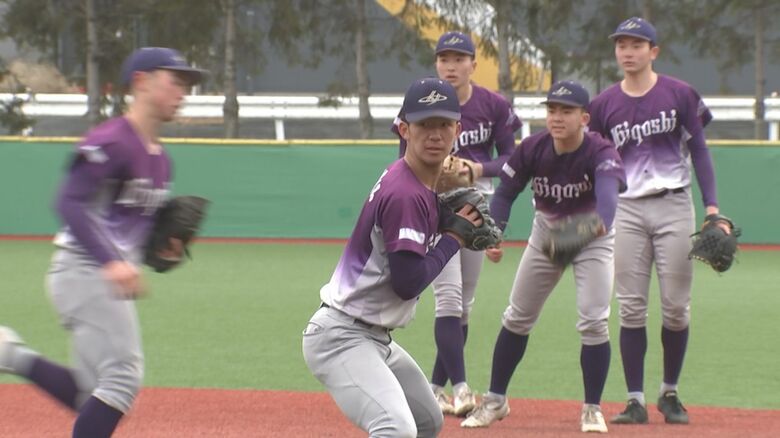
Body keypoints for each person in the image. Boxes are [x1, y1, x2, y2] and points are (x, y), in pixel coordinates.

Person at [0, 47, 206, 437]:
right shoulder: (112, 141)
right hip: (83, 269)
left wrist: (161, 248)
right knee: (122, 380)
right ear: (142, 82)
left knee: (88, 393)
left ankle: (11, 355)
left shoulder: (162, 162)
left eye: (187, 85)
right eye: (176, 81)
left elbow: (130, 229)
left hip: (98, 276)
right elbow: (68, 202)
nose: (184, 91)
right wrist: (111, 261)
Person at [302, 77, 485, 438]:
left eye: (443, 124)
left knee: (427, 421)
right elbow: (407, 284)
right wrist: (453, 238)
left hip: (374, 338)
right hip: (342, 336)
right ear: (404, 129)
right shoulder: (406, 193)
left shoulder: (420, 183)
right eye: (424, 125)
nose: (434, 134)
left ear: (457, 130)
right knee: (395, 428)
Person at [460, 80, 626, 433]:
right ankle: (495, 400)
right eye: (551, 110)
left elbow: (607, 211)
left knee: (594, 320)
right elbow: (504, 194)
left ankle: (592, 408)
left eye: (566, 111)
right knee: (517, 317)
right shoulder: (533, 148)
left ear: (584, 117)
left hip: (593, 239)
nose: (557, 117)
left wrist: (573, 236)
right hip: (546, 234)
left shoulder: (602, 151)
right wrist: (495, 231)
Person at [588, 17, 728, 425]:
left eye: (636, 44)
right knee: (631, 309)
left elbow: (700, 152)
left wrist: (713, 207)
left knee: (676, 308)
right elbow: (596, 162)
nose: (627, 52)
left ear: (654, 51)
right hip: (628, 209)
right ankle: (635, 400)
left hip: (673, 204)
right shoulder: (603, 105)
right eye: (621, 45)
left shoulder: (679, 94)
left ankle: (669, 392)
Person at [392, 30, 522, 417]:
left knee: (463, 304)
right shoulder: (418, 99)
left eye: (459, 58)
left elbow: (511, 162)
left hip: (476, 199)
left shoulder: (493, 105)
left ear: (473, 64)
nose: (451, 65)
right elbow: (403, 155)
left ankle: (433, 387)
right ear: (436, 63)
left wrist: (478, 168)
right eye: (444, 58)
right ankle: (463, 389)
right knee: (447, 298)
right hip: (434, 199)